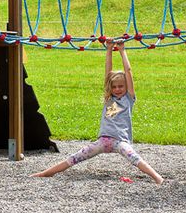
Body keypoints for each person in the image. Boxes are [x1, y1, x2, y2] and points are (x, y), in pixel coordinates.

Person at [32, 40, 164, 183]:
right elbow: (108, 73)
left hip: (120, 141)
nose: (117, 89)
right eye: (114, 87)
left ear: (126, 86)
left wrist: (122, 51)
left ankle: (157, 177)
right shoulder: (109, 98)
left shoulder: (128, 98)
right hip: (103, 141)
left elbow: (128, 71)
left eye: (121, 86)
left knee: (135, 159)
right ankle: (47, 173)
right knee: (75, 157)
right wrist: (109, 49)